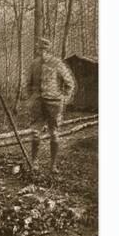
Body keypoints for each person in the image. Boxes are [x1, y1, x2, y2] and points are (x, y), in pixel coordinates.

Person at [27, 37, 76, 173]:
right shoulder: (34, 64)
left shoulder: (57, 63)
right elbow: (28, 84)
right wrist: (31, 99)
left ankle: (53, 165)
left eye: (45, 49)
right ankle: (34, 162)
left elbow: (69, 83)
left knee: (54, 133)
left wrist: (64, 99)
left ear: (49, 49)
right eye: (40, 49)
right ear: (37, 50)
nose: (42, 52)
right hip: (37, 104)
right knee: (35, 133)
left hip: (54, 104)